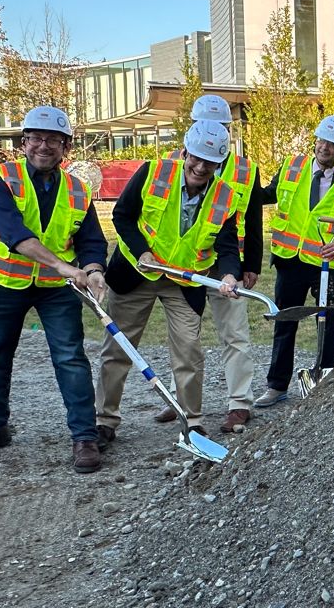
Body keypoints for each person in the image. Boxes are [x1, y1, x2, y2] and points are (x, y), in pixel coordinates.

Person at [0, 105, 109, 474]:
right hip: (1, 283)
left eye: (54, 139)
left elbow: (90, 240)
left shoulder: (77, 189)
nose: (44, 145)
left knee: (71, 357)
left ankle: (85, 436)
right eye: (37, 137)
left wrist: (95, 270)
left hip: (55, 290)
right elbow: (14, 234)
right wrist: (64, 266)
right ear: (24, 142)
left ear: (66, 146)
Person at [95, 119, 242, 447]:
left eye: (210, 163)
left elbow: (228, 245)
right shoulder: (154, 172)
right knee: (118, 348)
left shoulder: (225, 197)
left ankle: (191, 421)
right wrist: (142, 251)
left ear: (220, 164)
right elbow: (122, 216)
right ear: (185, 151)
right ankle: (104, 420)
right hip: (136, 274)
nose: (201, 167)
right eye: (196, 158)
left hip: (183, 283)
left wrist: (230, 274)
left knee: (189, 351)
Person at [162, 94, 263, 434]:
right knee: (184, 339)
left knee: (234, 335)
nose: (212, 131)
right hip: (183, 264)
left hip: (226, 265)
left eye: (220, 126)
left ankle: (239, 403)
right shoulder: (175, 163)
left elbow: (253, 219)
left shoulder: (246, 169)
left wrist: (252, 264)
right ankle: (182, 401)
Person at [255, 115, 334, 407]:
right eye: (322, 141)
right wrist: (242, 186)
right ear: (315, 140)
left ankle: (325, 381)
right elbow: (267, 195)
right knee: (285, 322)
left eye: (333, 144)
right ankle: (277, 386)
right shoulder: (292, 167)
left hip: (328, 264)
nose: (325, 147)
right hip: (290, 261)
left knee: (328, 321)